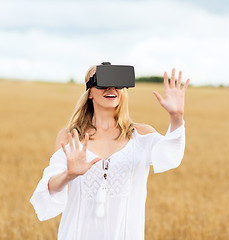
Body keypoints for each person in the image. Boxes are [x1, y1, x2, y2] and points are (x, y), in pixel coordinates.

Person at [30, 64, 190, 240]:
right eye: (103, 82)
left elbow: (171, 155)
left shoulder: (141, 136)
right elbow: (50, 187)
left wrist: (176, 117)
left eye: (117, 83)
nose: (111, 88)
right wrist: (69, 174)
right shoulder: (71, 137)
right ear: (90, 92)